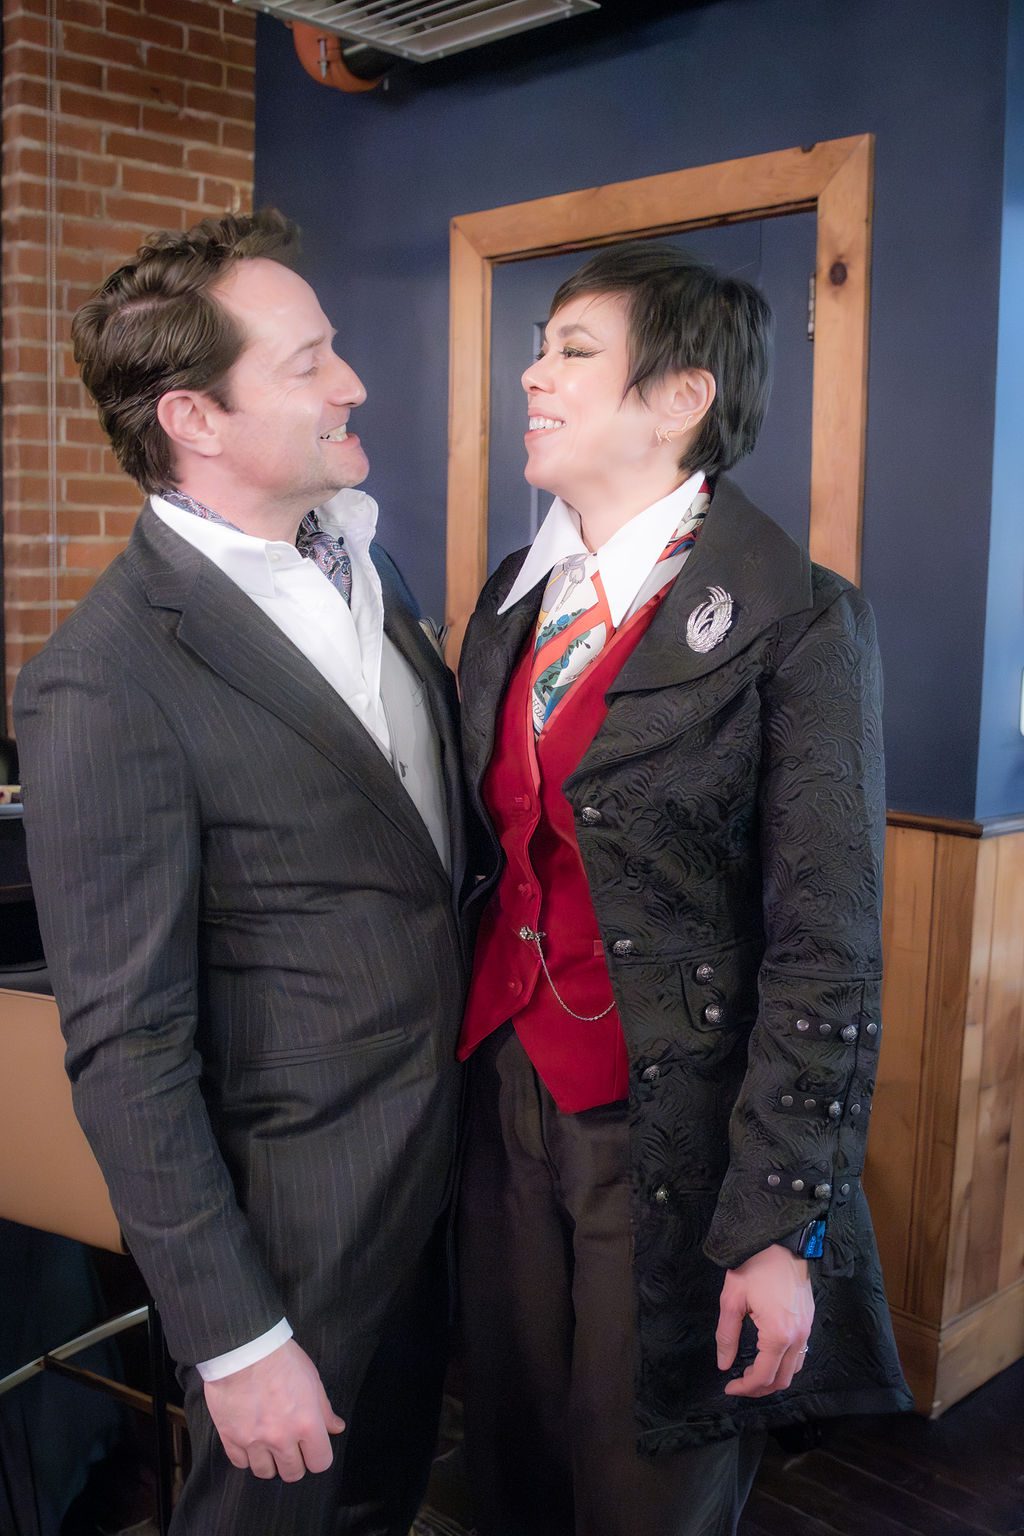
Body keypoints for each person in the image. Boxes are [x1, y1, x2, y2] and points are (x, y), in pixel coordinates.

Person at [14, 209, 468, 1535]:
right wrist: (234, 1334)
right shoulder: (103, 679)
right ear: (194, 419)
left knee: (382, 1503)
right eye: (309, 360)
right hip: (290, 1226)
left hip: (443, 1178)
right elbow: (127, 1045)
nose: (353, 383)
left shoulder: (367, 561)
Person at [455, 242, 912, 1536]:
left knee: (644, 1482)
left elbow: (827, 944)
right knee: (513, 1461)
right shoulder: (514, 599)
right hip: (502, 1097)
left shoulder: (803, 620)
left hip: (675, 1125)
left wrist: (779, 1224)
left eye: (573, 351)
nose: (532, 376)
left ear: (679, 398)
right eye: (538, 348)